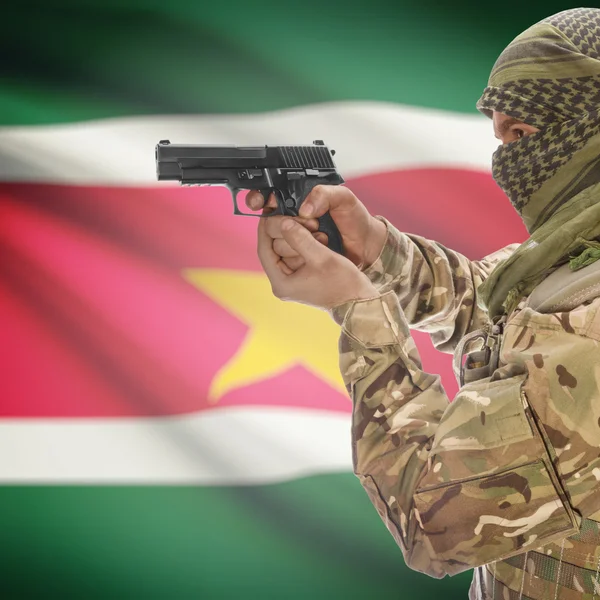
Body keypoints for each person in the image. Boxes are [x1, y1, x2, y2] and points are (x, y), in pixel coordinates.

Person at [247, 7, 600, 599]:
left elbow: (432, 523)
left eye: (523, 134)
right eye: (500, 136)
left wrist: (359, 309)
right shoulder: (577, 258)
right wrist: (377, 250)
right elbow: (499, 306)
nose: (507, 160)